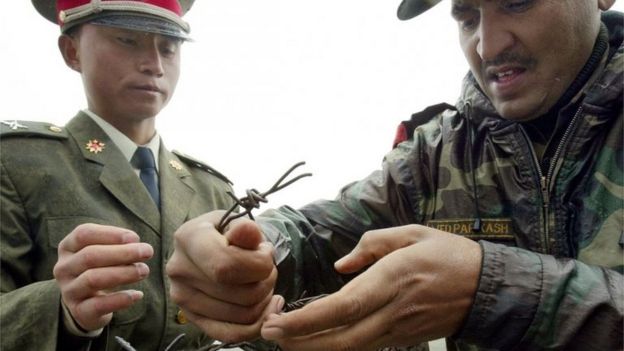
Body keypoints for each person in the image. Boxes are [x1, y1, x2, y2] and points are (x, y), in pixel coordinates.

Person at [165, 0, 624, 350]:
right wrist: (251, 252)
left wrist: (497, 290)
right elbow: (321, 235)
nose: (488, 45)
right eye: (466, 16)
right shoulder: (437, 152)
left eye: (517, 1)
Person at [0, 1, 277, 349]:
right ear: (72, 52)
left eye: (169, 48)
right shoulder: (16, 163)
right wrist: (64, 311)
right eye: (127, 40)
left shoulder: (213, 190)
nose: (154, 65)